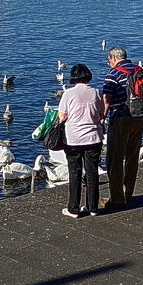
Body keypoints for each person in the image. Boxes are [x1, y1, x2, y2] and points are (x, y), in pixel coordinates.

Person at [100, 46, 143, 210]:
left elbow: (106, 100)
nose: (109, 63)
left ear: (113, 57)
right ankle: (128, 193)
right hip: (140, 118)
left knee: (114, 159)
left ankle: (117, 198)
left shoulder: (113, 74)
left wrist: (101, 118)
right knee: (132, 157)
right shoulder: (139, 70)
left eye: (108, 60)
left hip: (121, 119)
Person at [57, 63, 103, 218]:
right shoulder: (97, 92)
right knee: (92, 172)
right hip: (93, 137)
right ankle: (93, 207)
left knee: (74, 172)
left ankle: (73, 208)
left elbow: (62, 116)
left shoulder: (68, 94)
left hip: (73, 139)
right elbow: (101, 113)